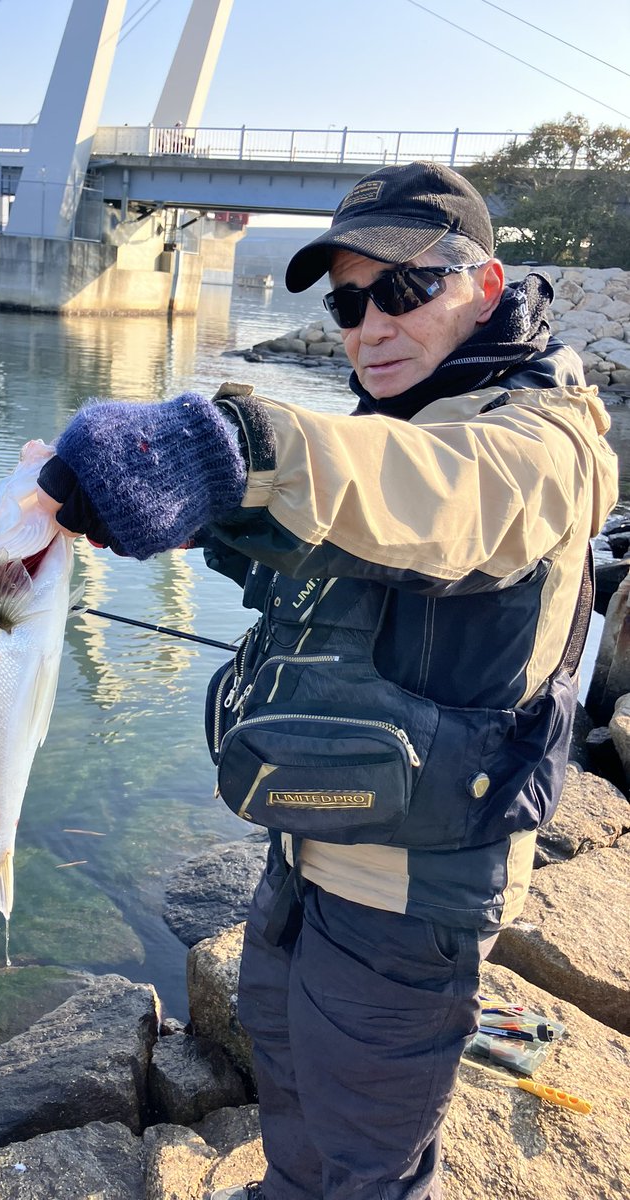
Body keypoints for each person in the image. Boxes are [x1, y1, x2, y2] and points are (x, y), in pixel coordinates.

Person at [36, 161, 618, 1200]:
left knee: (366, 1164)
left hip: (410, 899)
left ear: (485, 284)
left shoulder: (538, 440)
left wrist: (239, 447)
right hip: (311, 848)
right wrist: (202, 514)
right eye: (349, 304)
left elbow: (442, 498)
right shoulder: (408, 414)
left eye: (405, 289)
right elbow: (346, 543)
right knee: (291, 1086)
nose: (369, 326)